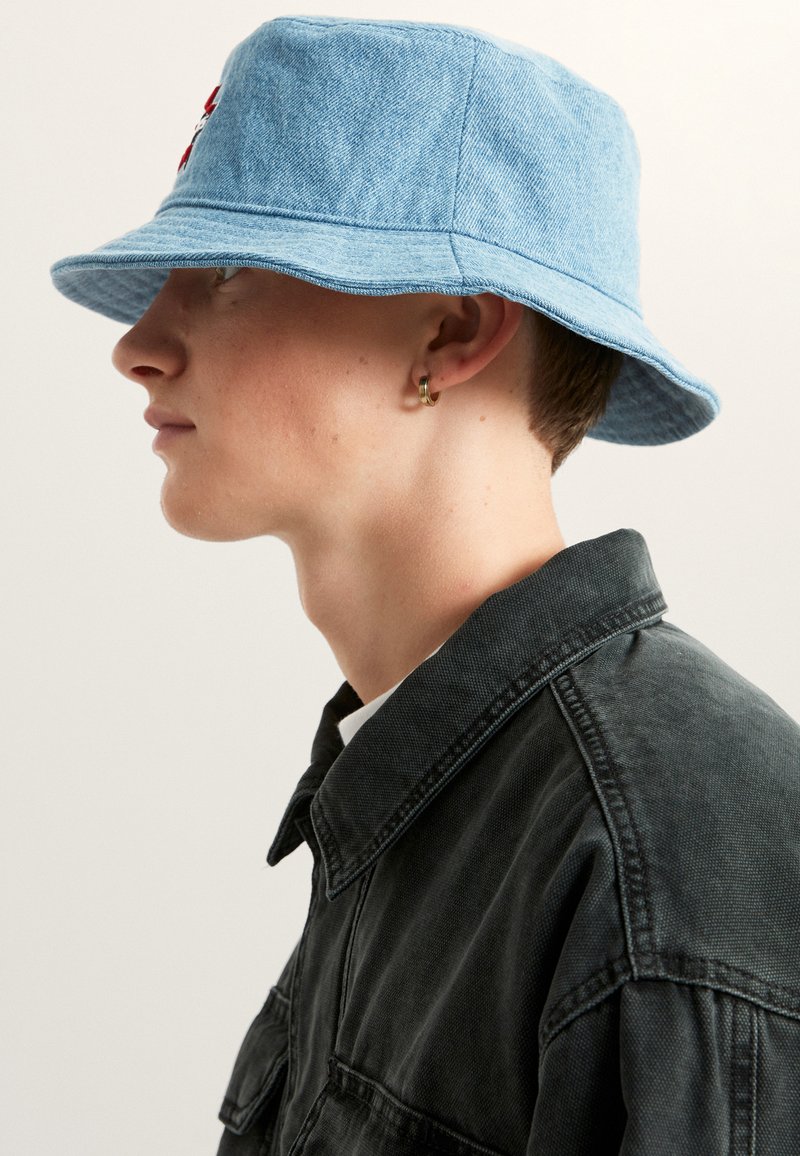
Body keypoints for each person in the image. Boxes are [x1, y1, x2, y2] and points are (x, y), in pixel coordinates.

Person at [50, 14, 800, 1156]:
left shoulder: (660, 855)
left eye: (227, 271)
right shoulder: (433, 782)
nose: (138, 343)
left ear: (451, 330)